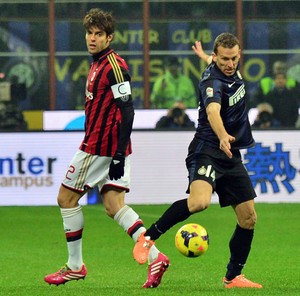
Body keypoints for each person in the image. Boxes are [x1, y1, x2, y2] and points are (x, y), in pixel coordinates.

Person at [44, 8, 169, 288]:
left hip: (100, 146)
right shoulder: (97, 63)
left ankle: (75, 266)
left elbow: (128, 111)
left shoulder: (114, 66)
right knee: (113, 206)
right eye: (89, 33)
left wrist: (117, 154)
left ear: (109, 37)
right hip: (109, 147)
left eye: (99, 34)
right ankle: (156, 257)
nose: (92, 38)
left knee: (65, 199)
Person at [133, 33, 263, 289]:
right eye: (224, 59)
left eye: (234, 58)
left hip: (229, 154)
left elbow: (216, 64)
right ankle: (148, 237)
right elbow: (213, 110)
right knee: (199, 202)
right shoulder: (212, 81)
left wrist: (205, 56)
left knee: (248, 218)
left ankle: (233, 276)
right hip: (207, 149)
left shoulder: (225, 68)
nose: (229, 63)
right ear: (217, 57)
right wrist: (223, 134)